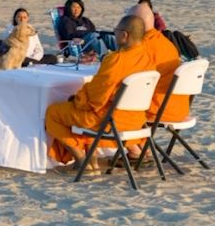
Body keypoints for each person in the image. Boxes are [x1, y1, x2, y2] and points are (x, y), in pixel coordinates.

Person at [44, 15, 157, 166]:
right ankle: (92, 157)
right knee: (85, 112)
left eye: (115, 31)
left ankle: (81, 159)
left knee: (54, 112)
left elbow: (95, 98)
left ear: (124, 35)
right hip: (136, 120)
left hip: (111, 121)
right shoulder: (148, 57)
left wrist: (77, 98)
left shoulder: (116, 60)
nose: (114, 34)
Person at [131, 1, 189, 124]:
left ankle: (134, 143)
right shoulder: (165, 42)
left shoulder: (142, 47)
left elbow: (125, 78)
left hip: (157, 110)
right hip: (179, 108)